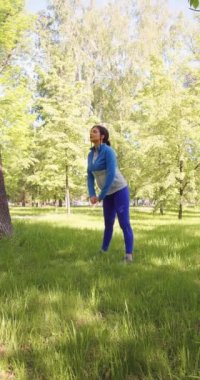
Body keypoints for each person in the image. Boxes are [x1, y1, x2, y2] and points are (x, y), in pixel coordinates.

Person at [87, 125, 134, 263]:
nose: (91, 133)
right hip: (107, 193)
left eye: (94, 131)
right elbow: (89, 175)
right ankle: (103, 251)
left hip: (119, 190)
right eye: (91, 131)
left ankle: (128, 256)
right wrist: (92, 194)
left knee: (124, 223)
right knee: (108, 223)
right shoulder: (90, 155)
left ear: (102, 136)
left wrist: (100, 196)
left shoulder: (108, 151)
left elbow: (111, 174)